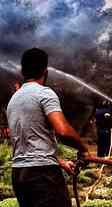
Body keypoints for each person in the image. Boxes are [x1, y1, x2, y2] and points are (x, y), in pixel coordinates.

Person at [6, 48, 89, 207]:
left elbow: (29, 142)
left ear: (23, 70)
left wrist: (59, 161)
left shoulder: (14, 100)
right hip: (43, 176)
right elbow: (63, 131)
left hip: (19, 175)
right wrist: (83, 149)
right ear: (46, 71)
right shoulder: (44, 93)